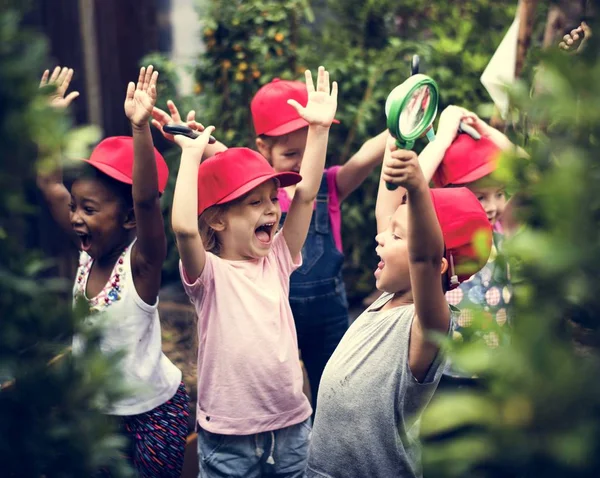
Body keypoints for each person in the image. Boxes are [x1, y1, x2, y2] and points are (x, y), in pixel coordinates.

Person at [170, 67, 337, 477]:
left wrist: (318, 130)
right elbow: (183, 227)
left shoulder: (277, 259)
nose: (271, 208)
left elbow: (306, 195)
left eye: (271, 198)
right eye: (254, 202)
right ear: (219, 220)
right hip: (229, 437)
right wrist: (191, 160)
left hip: (292, 429)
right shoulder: (208, 276)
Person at [306, 135, 493, 478]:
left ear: (438, 264)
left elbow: (422, 256)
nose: (380, 236)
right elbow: (386, 208)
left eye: (395, 235)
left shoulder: (428, 326)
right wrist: (398, 135)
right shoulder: (389, 296)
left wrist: (420, 189)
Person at [37, 66, 188, 477]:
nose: (76, 218)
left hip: (155, 415)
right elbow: (50, 184)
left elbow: (144, 202)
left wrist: (141, 128)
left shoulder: (142, 264)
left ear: (127, 220)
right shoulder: (87, 254)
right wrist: (48, 125)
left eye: (89, 209)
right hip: (99, 414)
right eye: (75, 207)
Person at [251, 78, 387, 408]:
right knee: (279, 393)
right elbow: (223, 156)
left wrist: (400, 120)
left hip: (329, 315)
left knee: (335, 390)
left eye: (309, 148)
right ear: (263, 149)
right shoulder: (257, 197)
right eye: (290, 153)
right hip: (276, 312)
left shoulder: (331, 184)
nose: (301, 160)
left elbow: (366, 156)